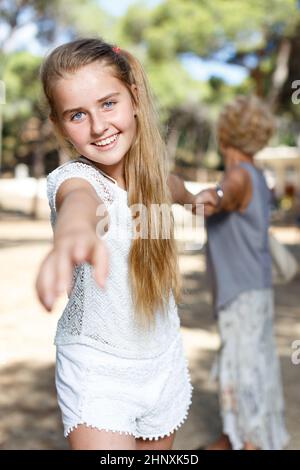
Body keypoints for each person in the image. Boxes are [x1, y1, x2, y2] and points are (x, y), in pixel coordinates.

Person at [35, 38, 193, 450]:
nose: (98, 126)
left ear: (135, 98)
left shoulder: (154, 179)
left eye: (108, 104)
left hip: (163, 357)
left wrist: (199, 199)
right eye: (77, 115)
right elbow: (78, 203)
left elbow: (174, 187)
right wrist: (74, 232)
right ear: (58, 124)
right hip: (97, 369)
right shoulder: (76, 182)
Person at [194, 95, 289, 450]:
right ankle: (232, 436)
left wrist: (207, 197)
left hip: (242, 295)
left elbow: (223, 195)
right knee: (253, 364)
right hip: (255, 289)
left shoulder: (237, 176)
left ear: (224, 135)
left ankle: (249, 442)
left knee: (242, 369)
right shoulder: (256, 176)